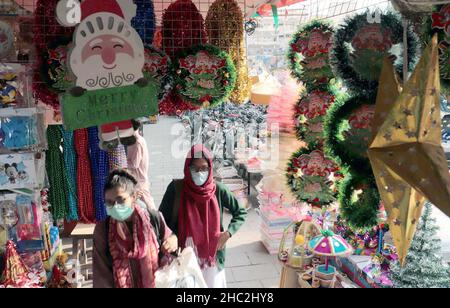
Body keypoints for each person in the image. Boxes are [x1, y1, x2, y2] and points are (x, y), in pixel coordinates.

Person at [159, 144, 247, 288]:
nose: (200, 173)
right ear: (187, 168)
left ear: (210, 168)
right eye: (195, 168)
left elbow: (240, 211)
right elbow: (160, 221)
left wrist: (228, 233)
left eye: (204, 168)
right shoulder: (176, 189)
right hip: (184, 256)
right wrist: (172, 235)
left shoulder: (218, 189)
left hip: (212, 257)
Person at [93, 169, 177, 288]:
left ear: (133, 197)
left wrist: (173, 240)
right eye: (109, 202)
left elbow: (170, 239)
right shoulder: (103, 230)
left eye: (120, 200)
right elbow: (101, 275)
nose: (115, 206)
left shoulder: (154, 219)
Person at [126, 119, 155, 209]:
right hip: (140, 177)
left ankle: (156, 219)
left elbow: (135, 163)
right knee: (145, 200)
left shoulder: (136, 142)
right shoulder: (139, 139)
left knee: (147, 202)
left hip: (139, 178)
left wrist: (123, 162)